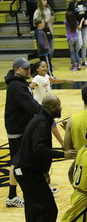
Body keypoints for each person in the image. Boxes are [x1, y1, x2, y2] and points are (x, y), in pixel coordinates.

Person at [13, 95, 76, 222]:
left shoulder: (40, 119)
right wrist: (64, 154)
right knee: (49, 209)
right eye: (59, 105)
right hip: (27, 173)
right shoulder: (41, 123)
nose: (61, 108)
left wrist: (43, 170)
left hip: (27, 170)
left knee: (33, 209)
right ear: (52, 108)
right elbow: (39, 149)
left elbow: (34, 150)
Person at [4, 57, 42, 208]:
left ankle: (37, 189)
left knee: (29, 159)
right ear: (16, 70)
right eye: (25, 68)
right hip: (17, 129)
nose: (28, 70)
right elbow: (30, 105)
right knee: (16, 162)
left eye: (29, 68)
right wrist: (46, 111)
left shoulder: (19, 83)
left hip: (23, 127)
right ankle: (12, 196)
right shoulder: (16, 86)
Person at [68, 0, 87, 67]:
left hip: (84, 26)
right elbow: (69, 15)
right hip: (77, 26)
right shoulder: (72, 4)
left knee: (84, 43)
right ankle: (76, 59)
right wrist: (76, 24)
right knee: (79, 43)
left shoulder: (85, 2)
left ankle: (84, 60)